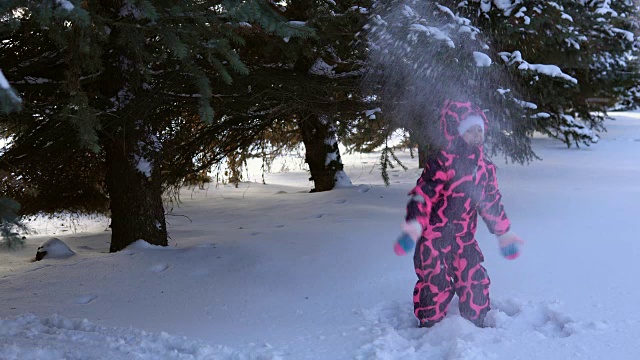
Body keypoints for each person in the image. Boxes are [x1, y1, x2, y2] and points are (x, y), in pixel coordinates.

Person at [393, 100, 524, 328]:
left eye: (479, 130)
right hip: (434, 238)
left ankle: (477, 321)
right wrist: (414, 226)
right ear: (457, 132)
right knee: (435, 283)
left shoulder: (484, 168)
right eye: (470, 131)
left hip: (464, 239)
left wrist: (504, 234)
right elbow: (423, 195)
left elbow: (491, 201)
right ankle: (430, 325)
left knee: (475, 278)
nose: (476, 136)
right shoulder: (442, 162)